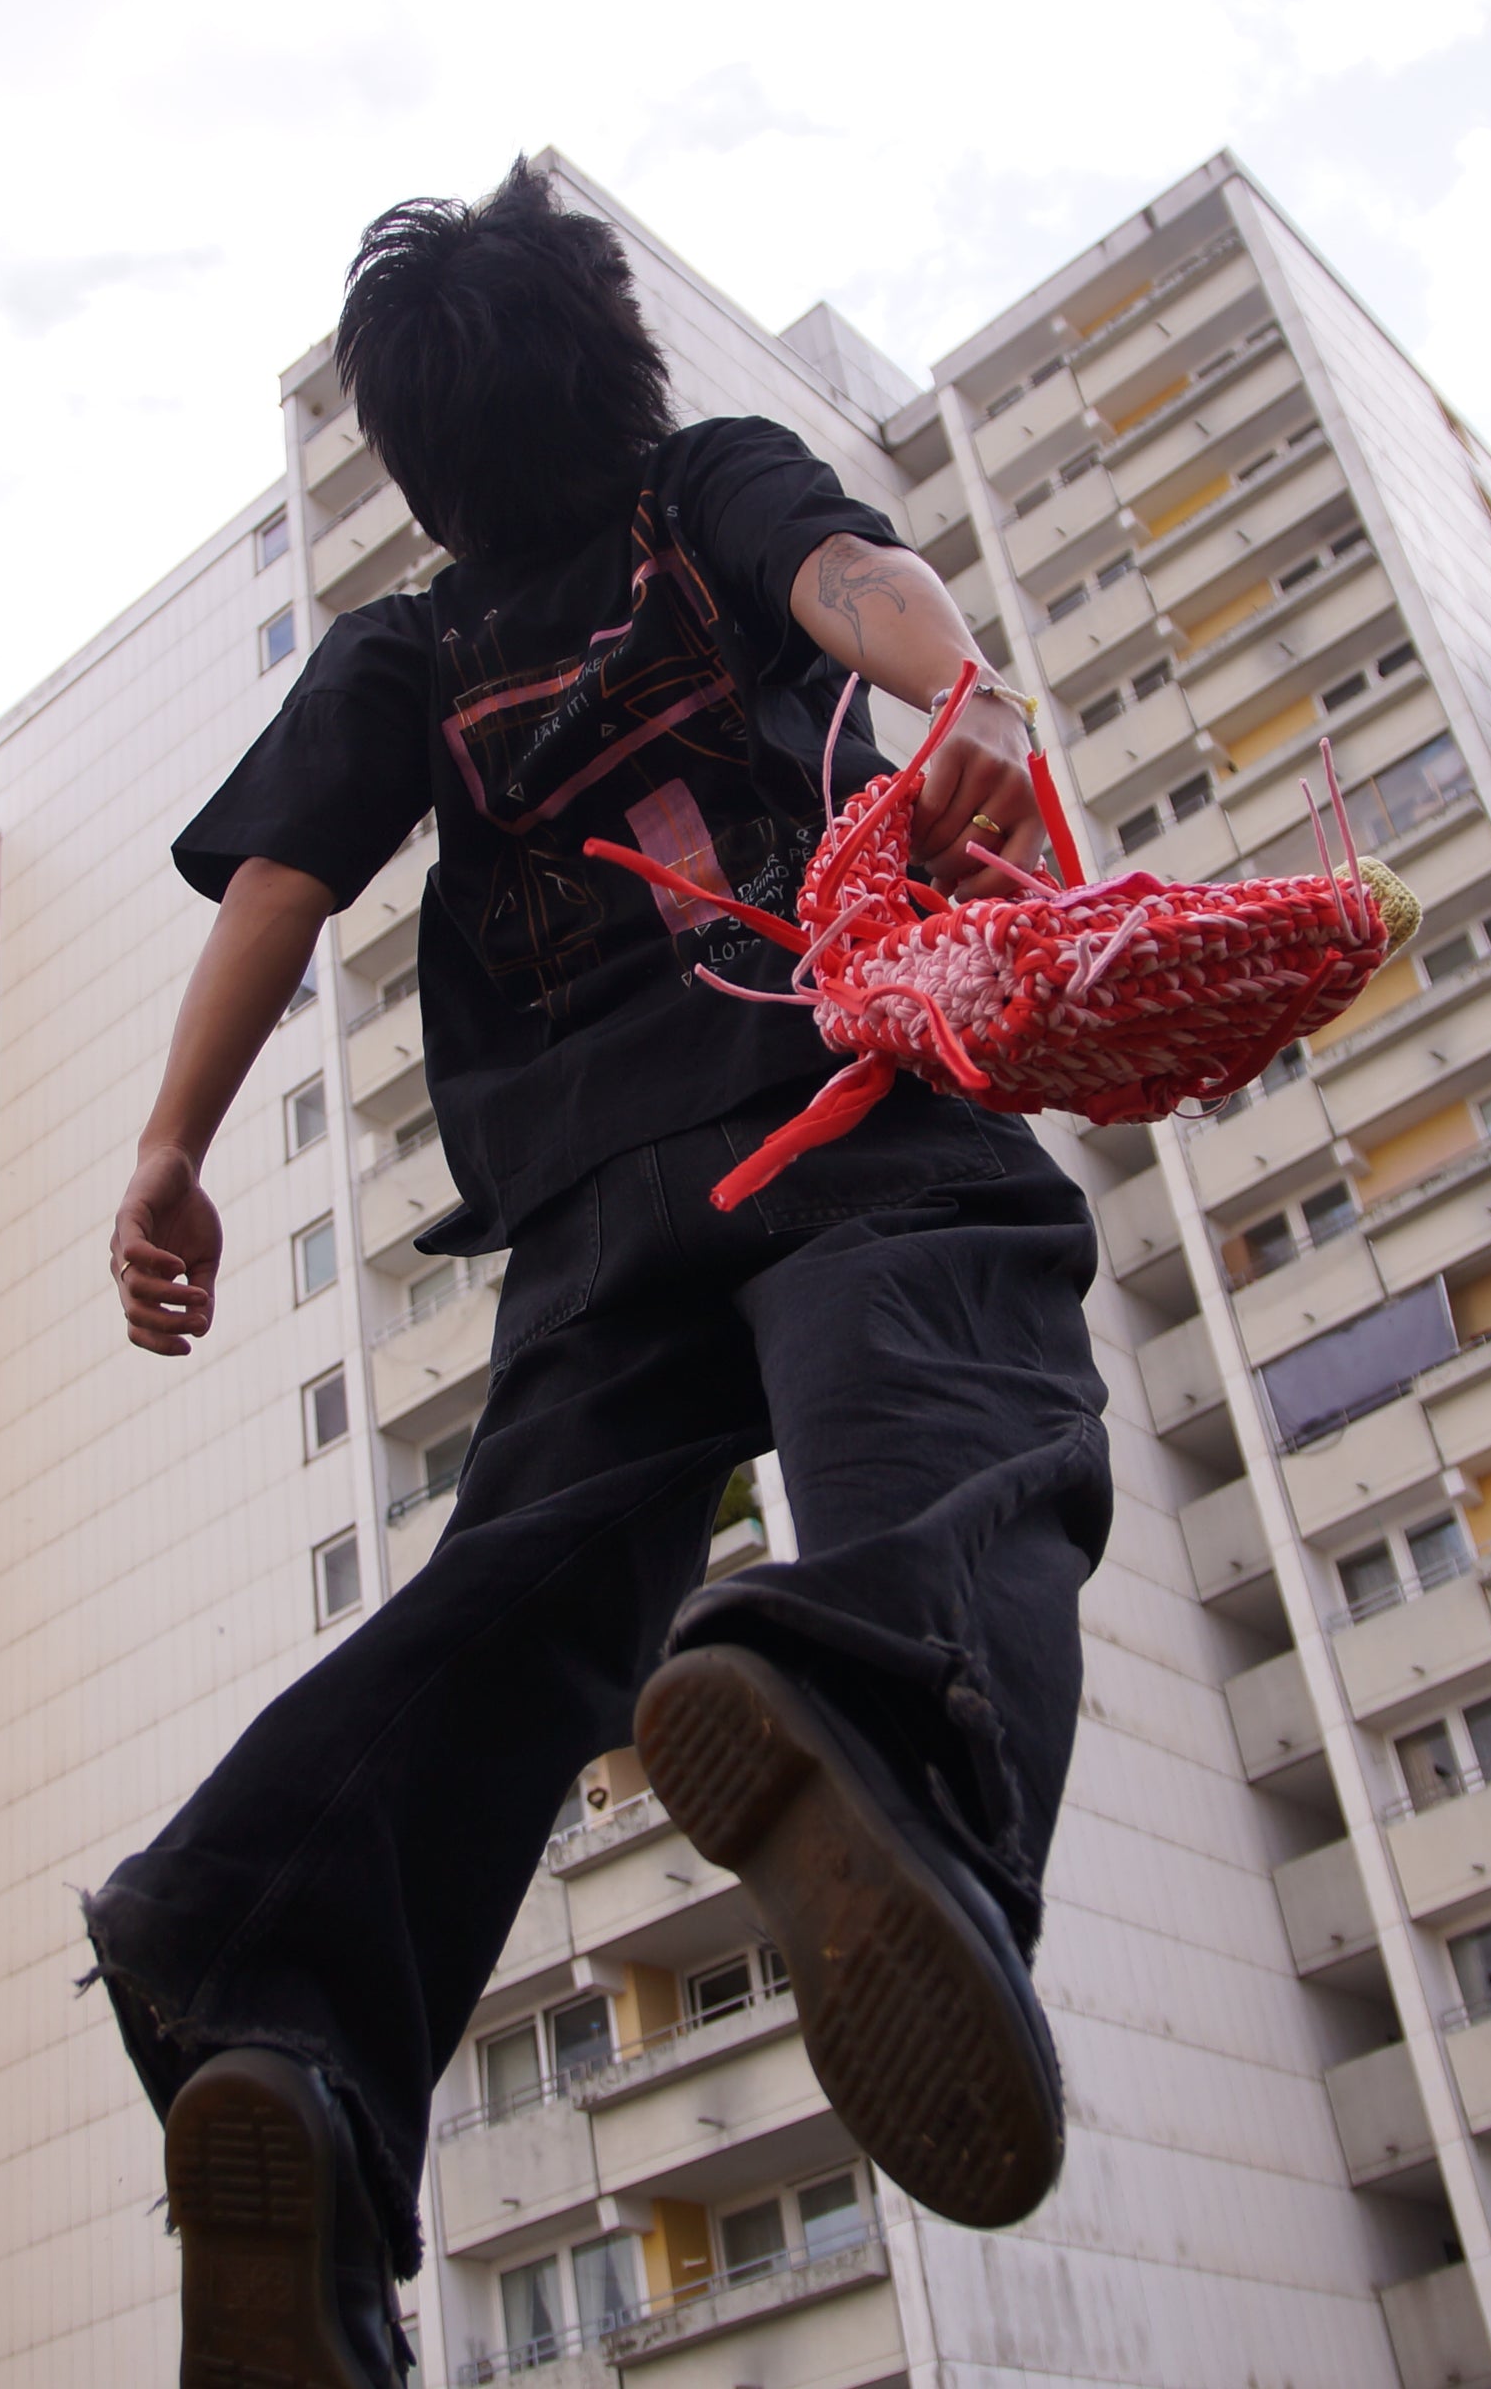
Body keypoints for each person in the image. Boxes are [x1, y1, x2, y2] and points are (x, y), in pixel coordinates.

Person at [93, 161, 1114, 2389]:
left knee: (538, 1587)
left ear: (419, 458)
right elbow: (856, 575)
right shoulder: (702, 491)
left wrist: (170, 1150)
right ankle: (886, 1712)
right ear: (618, 361)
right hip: (836, 1087)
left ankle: (277, 1986)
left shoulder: (410, 645)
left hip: (586, 1197)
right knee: (970, 1346)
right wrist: (977, 716)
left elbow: (279, 883)